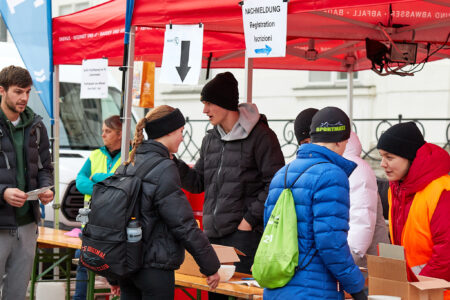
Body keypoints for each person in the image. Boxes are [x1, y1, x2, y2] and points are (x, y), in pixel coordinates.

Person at [173, 72, 285, 277]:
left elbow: (276, 184)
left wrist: (248, 222)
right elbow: (198, 182)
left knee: (239, 293)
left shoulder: (262, 136)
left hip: (244, 237)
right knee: (216, 294)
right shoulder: (210, 139)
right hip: (211, 238)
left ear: (224, 103)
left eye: (208, 103)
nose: (204, 110)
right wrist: (173, 162)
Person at [111, 105, 220, 299]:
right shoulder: (164, 168)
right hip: (154, 268)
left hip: (126, 265)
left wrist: (113, 276)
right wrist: (210, 265)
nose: (182, 137)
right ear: (169, 132)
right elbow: (183, 223)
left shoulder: (128, 163)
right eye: (181, 132)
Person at [264, 107, 366, 300]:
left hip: (277, 287)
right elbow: (331, 242)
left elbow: (270, 231)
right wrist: (356, 287)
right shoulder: (332, 175)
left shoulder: (282, 174)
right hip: (313, 290)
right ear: (340, 139)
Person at [0, 65, 54, 300]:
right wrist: (2, 192)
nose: (24, 98)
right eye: (18, 91)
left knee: (17, 292)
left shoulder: (37, 126)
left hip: (27, 225)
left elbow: (45, 167)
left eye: (28, 92)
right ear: (1, 91)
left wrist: (46, 189)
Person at [377, 122, 450, 285]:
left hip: (436, 291)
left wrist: (420, 288)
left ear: (410, 157)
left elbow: (446, 252)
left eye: (389, 157)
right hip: (414, 287)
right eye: (381, 156)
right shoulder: (395, 188)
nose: (382, 163)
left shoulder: (442, 190)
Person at [74, 114, 123, 300]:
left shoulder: (130, 155)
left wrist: (97, 178)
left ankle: (115, 285)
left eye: (107, 131)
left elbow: (123, 183)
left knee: (113, 261)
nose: (103, 134)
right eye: (103, 131)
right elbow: (80, 181)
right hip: (91, 221)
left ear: (120, 134)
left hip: (116, 223)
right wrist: (104, 186)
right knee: (82, 257)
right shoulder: (95, 154)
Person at [343, 131, 390, 268]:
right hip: (358, 268)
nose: (382, 164)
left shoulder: (356, 170)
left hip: (362, 271)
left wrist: (341, 269)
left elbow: (360, 227)